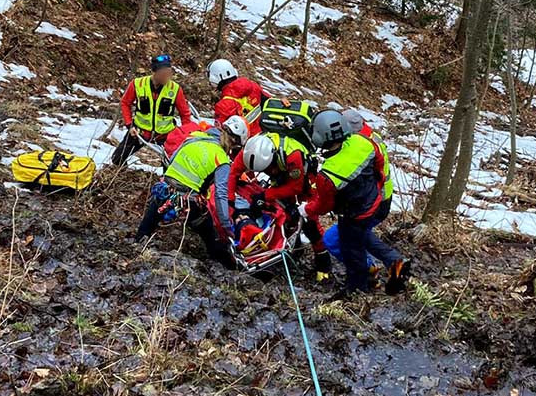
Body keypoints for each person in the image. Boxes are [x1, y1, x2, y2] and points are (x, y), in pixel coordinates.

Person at [300, 110, 409, 299]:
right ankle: (393, 262)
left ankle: (357, 288)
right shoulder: (364, 142)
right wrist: (375, 185)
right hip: (376, 201)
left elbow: (325, 205)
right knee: (360, 237)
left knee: (350, 248)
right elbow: (379, 164)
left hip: (356, 213)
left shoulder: (329, 173)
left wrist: (306, 209)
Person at [135, 118, 249, 267]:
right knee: (209, 233)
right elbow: (220, 196)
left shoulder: (194, 137)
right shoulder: (222, 160)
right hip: (187, 201)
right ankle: (228, 266)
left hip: (163, 189)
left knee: (147, 225)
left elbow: (172, 159)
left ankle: (137, 245)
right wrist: (226, 227)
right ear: (234, 142)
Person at [230, 133, 333, 281]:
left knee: (310, 221)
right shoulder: (249, 151)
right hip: (280, 178)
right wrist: (229, 202)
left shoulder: (292, 155)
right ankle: (293, 246)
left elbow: (295, 187)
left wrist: (265, 196)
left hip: (304, 181)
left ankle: (323, 263)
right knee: (286, 214)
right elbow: (234, 173)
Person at [115, 54, 192, 166]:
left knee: (171, 165)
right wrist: (129, 125)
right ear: (155, 72)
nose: (167, 77)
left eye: (169, 73)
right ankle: (121, 174)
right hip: (139, 132)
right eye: (164, 74)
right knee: (117, 159)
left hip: (165, 135)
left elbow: (185, 114)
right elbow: (125, 103)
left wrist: (186, 134)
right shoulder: (138, 84)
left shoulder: (175, 89)